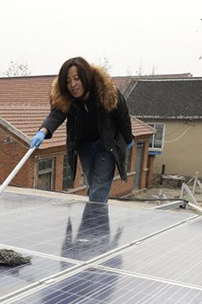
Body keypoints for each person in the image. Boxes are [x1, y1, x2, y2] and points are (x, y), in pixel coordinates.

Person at [30, 57, 134, 203]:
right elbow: (56, 115)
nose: (73, 85)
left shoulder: (107, 92)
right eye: (67, 81)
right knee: (93, 184)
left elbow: (123, 117)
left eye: (76, 78)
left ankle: (93, 222)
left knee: (100, 186)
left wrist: (128, 139)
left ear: (86, 77)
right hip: (85, 146)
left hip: (107, 145)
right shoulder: (66, 98)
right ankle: (96, 220)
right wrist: (43, 131)